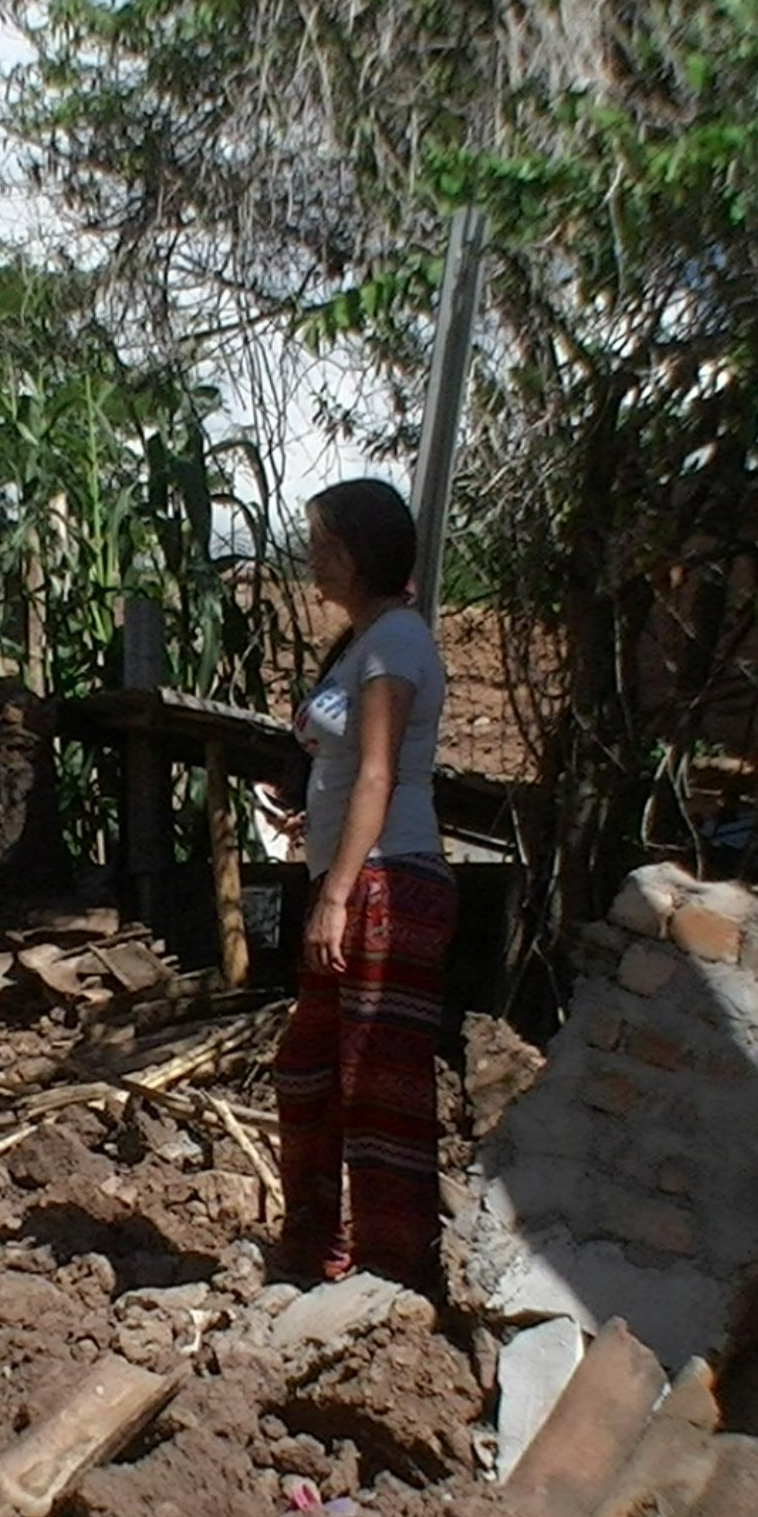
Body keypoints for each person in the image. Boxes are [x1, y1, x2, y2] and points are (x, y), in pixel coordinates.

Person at [275, 477, 454, 1300]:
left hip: (387, 881)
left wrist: (337, 895)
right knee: (312, 1068)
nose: (313, 559)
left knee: (376, 1079)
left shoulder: (395, 644)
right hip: (358, 873)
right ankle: (321, 1245)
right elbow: (350, 770)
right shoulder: (365, 641)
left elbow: (378, 774)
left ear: (360, 553)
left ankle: (394, 1267)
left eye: (325, 544)